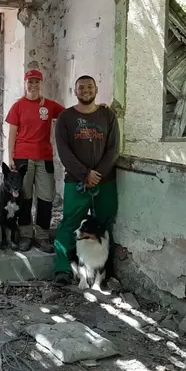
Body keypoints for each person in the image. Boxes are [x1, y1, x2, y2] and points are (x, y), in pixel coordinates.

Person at [53, 75, 120, 286]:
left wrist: (97, 174)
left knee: (105, 223)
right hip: (76, 182)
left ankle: (104, 271)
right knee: (70, 223)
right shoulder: (65, 118)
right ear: (75, 92)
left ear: (96, 89)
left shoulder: (108, 116)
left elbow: (114, 148)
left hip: (105, 181)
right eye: (81, 88)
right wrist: (85, 174)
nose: (86, 90)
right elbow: (64, 152)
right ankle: (63, 268)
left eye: (90, 87)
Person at [5, 69, 65, 253]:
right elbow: (12, 133)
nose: (33, 85)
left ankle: (42, 236)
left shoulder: (49, 106)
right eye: (30, 82)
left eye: (36, 82)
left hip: (44, 157)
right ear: (25, 84)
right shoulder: (18, 106)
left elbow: (69, 114)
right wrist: (10, 157)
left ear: (41, 84)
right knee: (24, 197)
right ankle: (25, 235)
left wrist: (97, 108)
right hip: (22, 157)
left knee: (46, 197)